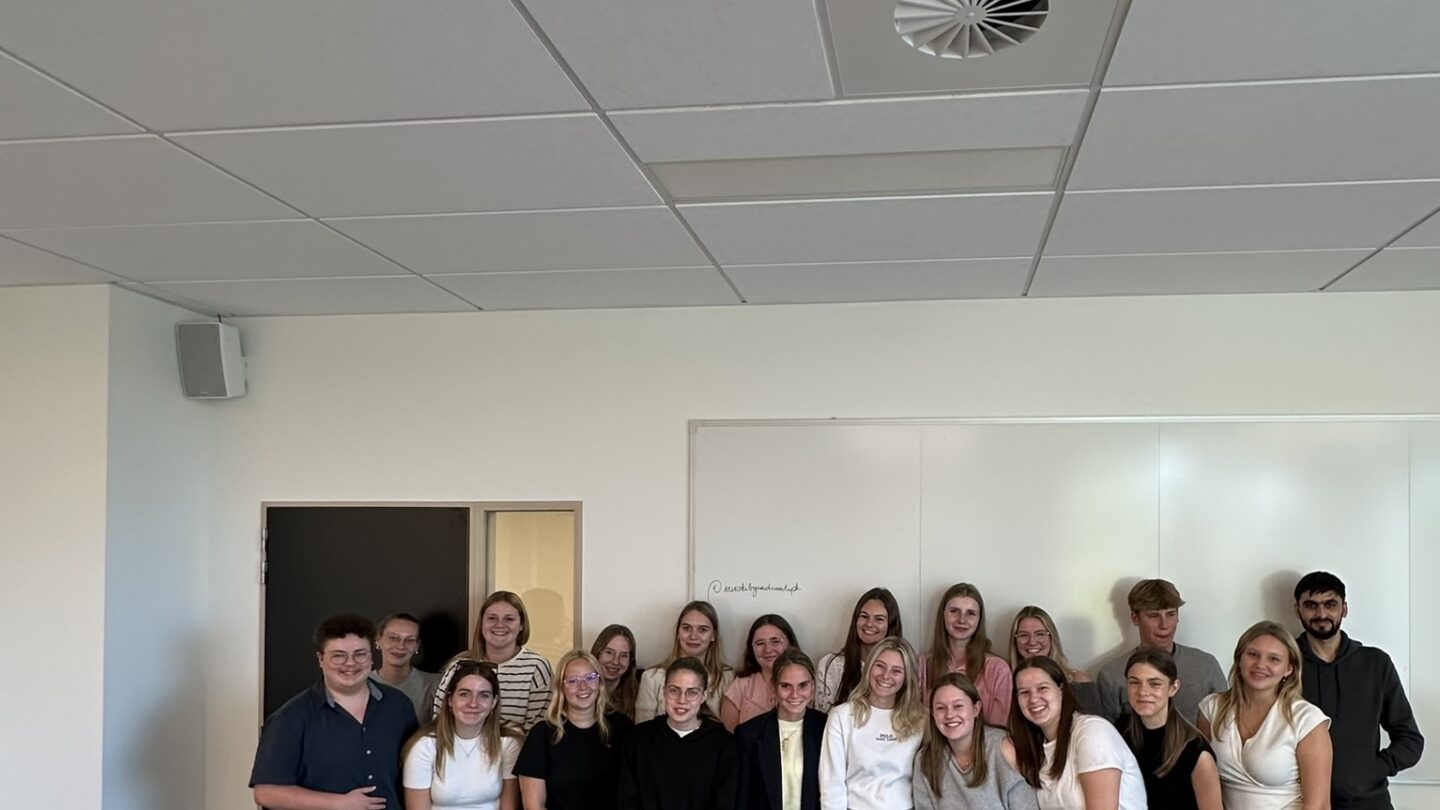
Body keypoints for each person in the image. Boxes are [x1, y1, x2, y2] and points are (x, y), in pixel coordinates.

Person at [251, 613, 419, 810]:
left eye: (360, 654)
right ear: (320, 659)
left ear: (371, 657)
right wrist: (338, 803)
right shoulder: (289, 719)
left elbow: (417, 773)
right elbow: (266, 792)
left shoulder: (399, 706)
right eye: (338, 655)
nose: (350, 663)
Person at [1294, 571, 1424, 810]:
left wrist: (1371, 770)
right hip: (1301, 803)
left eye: (1330, 604)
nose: (1321, 614)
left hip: (1369, 803)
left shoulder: (1376, 663)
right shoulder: (1283, 664)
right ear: (1297, 610)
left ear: (1344, 609)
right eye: (1311, 605)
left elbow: (1411, 741)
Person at [1197, 621, 1332, 810]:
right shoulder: (1211, 708)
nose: (1260, 664)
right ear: (1239, 660)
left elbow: (1319, 805)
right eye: (1253, 654)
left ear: (1289, 669)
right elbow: (1202, 783)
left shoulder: (1307, 719)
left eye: (1274, 659)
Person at [1006, 655, 1147, 810]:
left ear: (1061, 690)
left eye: (1042, 688)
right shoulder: (1038, 751)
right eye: (1024, 692)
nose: (1033, 699)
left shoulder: (1092, 731)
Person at [617, 656, 740, 810]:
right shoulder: (638, 740)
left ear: (703, 696)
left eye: (692, 692)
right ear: (664, 692)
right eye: (674, 691)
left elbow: (725, 802)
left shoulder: (724, 745)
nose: (682, 700)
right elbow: (626, 800)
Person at [515, 650, 632, 810]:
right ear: (561, 687)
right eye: (572, 680)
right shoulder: (542, 734)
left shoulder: (622, 727)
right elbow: (534, 805)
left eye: (590, 678)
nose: (583, 687)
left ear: (600, 683)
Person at [1095, 580, 1226, 723]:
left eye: (1171, 614)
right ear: (1135, 618)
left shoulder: (1206, 666)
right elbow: (1104, 732)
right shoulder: (1112, 674)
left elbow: (1224, 723)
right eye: (1154, 616)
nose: (1164, 625)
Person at [820, 637, 927, 810]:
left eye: (896, 671)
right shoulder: (841, 716)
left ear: (907, 678)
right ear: (869, 667)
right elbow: (831, 783)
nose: (886, 676)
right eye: (880, 666)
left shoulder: (921, 719)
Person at [404, 659, 522, 810]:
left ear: (493, 703)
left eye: (484, 695)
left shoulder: (507, 743)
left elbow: (509, 807)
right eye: (464, 694)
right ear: (450, 700)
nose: (473, 703)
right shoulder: (424, 746)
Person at [913, 672, 1039, 810]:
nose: (949, 715)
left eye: (958, 706)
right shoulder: (925, 759)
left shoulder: (1003, 749)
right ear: (933, 714)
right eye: (940, 708)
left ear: (976, 709)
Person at [1116, 648, 1221, 810]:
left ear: (1173, 688)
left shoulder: (1196, 751)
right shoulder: (1120, 729)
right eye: (1134, 682)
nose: (1143, 692)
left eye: (1154, 684)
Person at [435, 591, 554, 732]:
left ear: (521, 625)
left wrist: (505, 743)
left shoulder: (536, 667)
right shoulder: (458, 666)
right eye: (492, 618)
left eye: (509, 619)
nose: (500, 625)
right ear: (481, 624)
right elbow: (440, 720)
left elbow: (539, 728)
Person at [736, 648, 829, 810]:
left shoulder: (826, 727)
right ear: (773, 687)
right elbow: (743, 798)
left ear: (813, 686)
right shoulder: (749, 734)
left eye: (803, 685)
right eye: (786, 686)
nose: (795, 695)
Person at [923, 583, 1013, 727]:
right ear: (943, 615)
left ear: (979, 619)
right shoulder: (922, 665)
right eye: (954, 611)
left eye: (970, 613)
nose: (962, 620)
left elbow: (999, 730)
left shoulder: (998, 670)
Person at [635, 600, 734, 722]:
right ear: (678, 632)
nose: (693, 636)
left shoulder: (727, 678)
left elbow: (728, 730)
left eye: (702, 629)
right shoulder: (652, 678)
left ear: (713, 635)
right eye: (686, 628)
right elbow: (643, 729)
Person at [814, 587, 904, 712]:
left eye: (879, 619)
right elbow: (822, 717)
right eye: (864, 616)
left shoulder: (904, 668)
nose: (869, 624)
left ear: (891, 625)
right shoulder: (831, 665)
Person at [1008, 606, 1103, 716]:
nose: (1032, 642)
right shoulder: (1005, 683)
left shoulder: (1078, 681)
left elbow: (1096, 724)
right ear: (1015, 641)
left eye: (1040, 634)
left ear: (1052, 637)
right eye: (1023, 635)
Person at [723, 614, 800, 731]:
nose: (768, 650)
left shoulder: (806, 684)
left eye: (775, 641)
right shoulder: (740, 687)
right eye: (760, 643)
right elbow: (728, 735)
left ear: (790, 643)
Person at [373, 612, 439, 723]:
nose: (401, 646)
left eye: (409, 640)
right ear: (378, 640)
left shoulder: (435, 685)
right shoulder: (361, 684)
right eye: (393, 638)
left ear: (417, 646)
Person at [591, 624, 640, 719]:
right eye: (609, 652)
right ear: (597, 653)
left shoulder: (638, 694)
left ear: (630, 661)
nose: (615, 662)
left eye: (624, 655)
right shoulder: (582, 690)